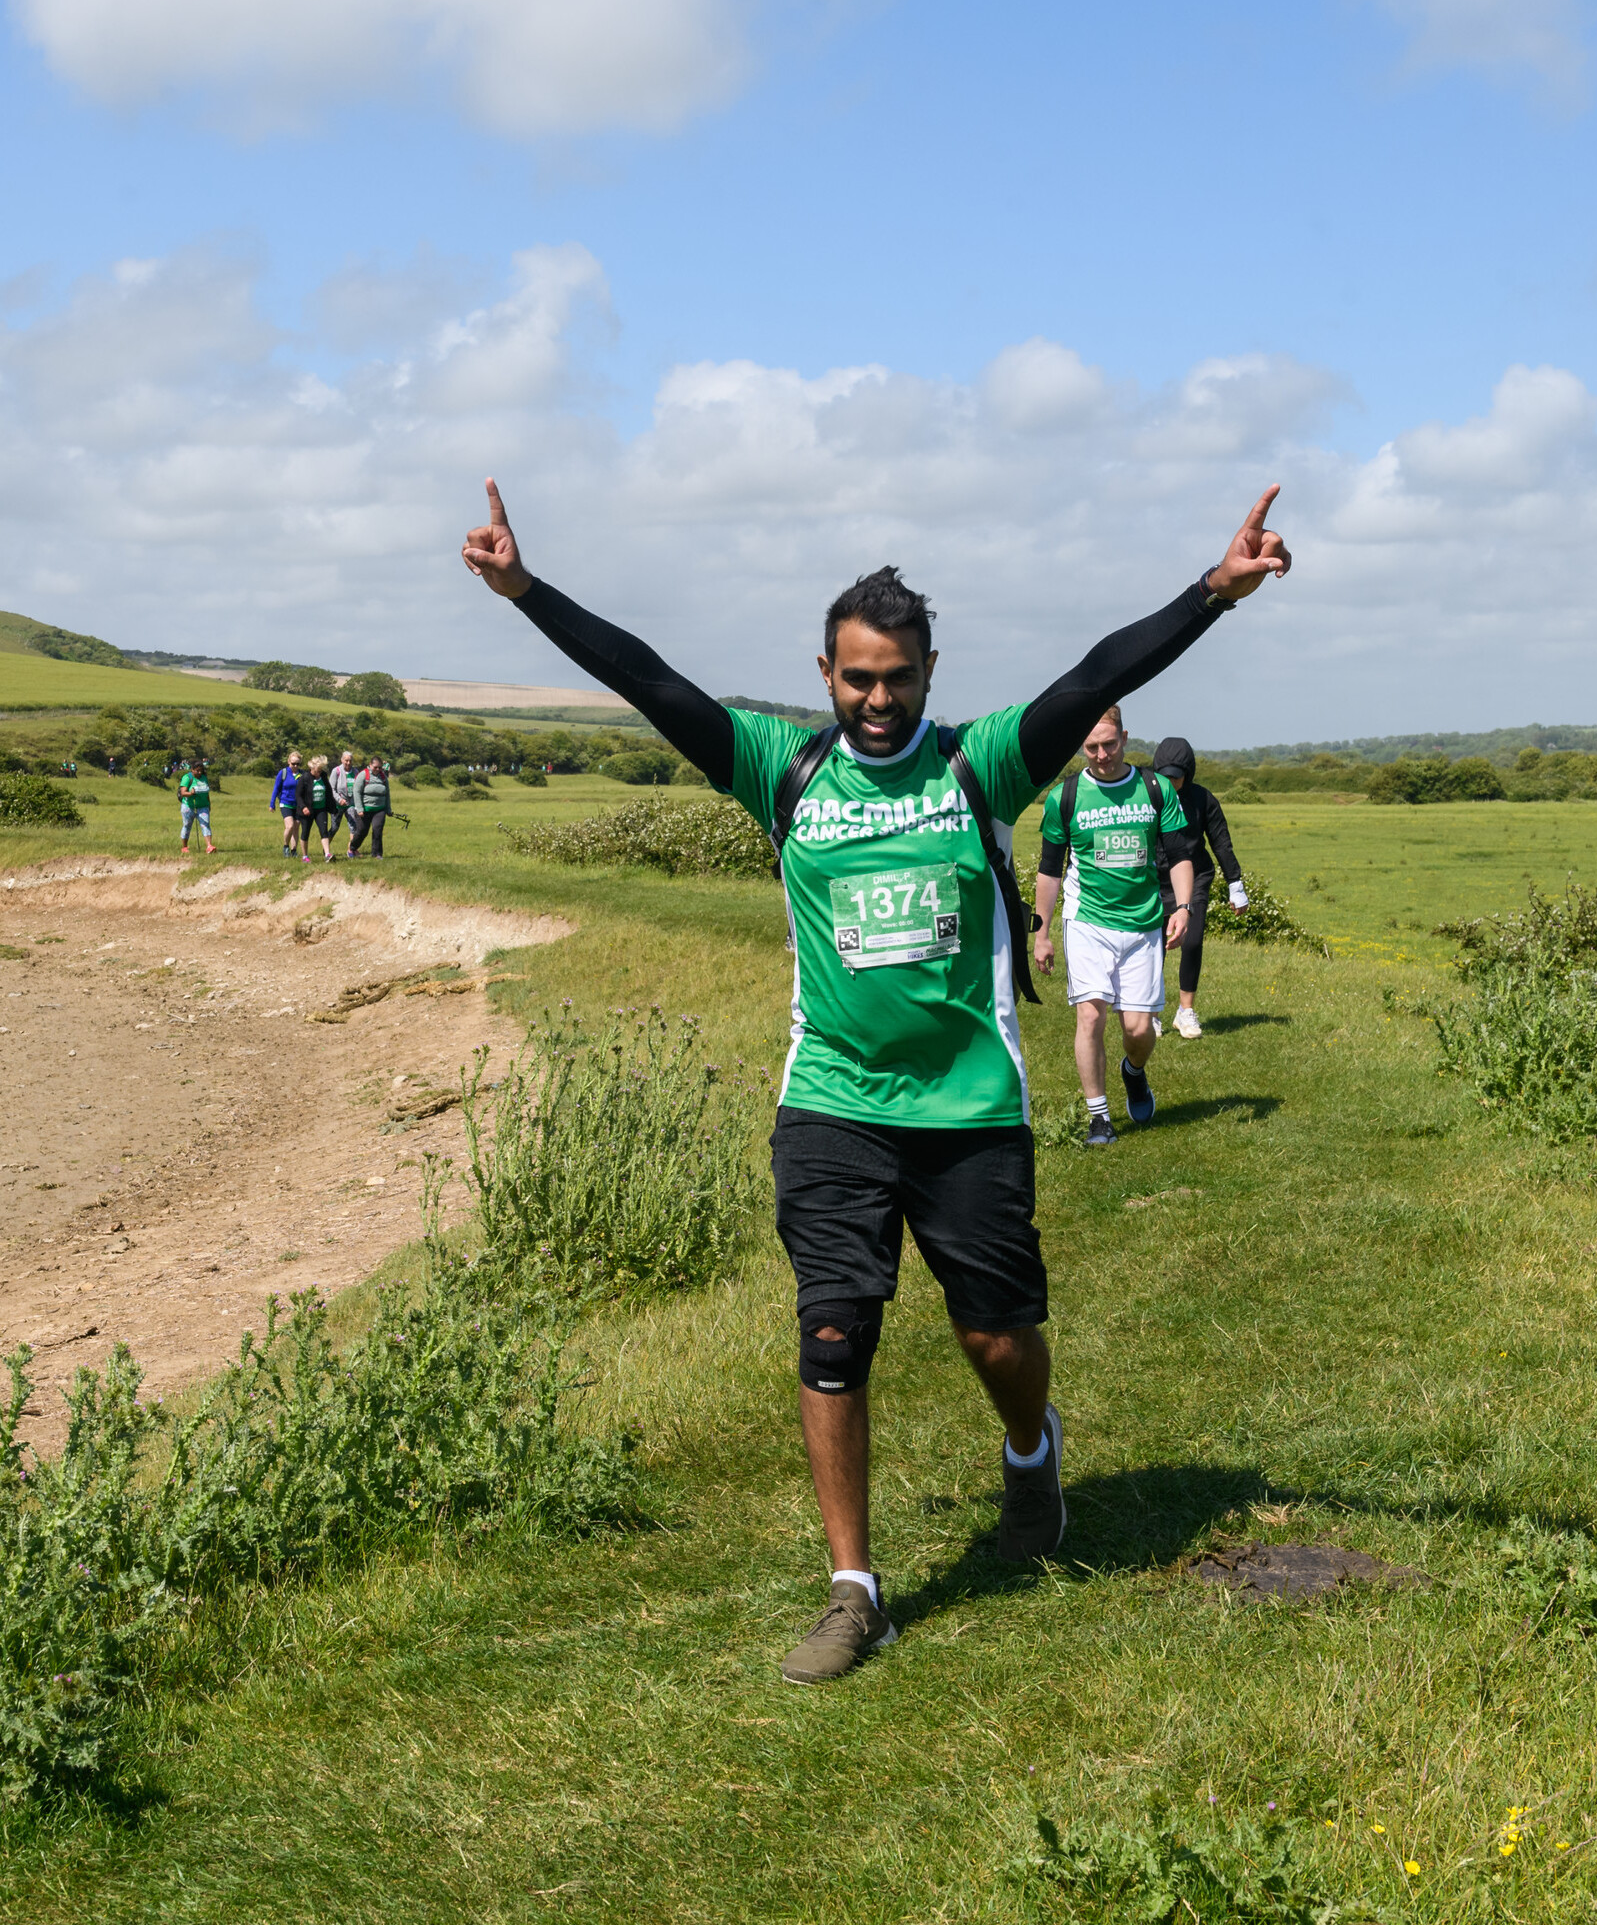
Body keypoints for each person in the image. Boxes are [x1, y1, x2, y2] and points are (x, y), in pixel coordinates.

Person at [461, 475, 1290, 1685]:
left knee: (997, 1336)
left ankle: (1028, 1448)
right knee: (835, 1327)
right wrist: (526, 590)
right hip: (833, 1100)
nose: (878, 698)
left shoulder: (980, 769)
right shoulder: (779, 771)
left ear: (930, 669)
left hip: (968, 1108)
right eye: (856, 677)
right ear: (824, 671)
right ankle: (854, 1587)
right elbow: (651, 683)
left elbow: (1089, 671)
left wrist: (1212, 594)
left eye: (899, 675)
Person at [1032, 709, 1193, 1147]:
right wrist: (1041, 933)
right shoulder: (1063, 798)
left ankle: (1134, 1073)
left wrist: (1182, 908)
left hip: (1142, 924)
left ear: (1124, 737)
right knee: (1090, 1015)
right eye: (1091, 747)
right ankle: (1098, 1116)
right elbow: (1049, 871)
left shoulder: (1154, 789)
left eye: (1109, 744)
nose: (1101, 755)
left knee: (1139, 1031)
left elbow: (1179, 854)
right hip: (1087, 922)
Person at [1148, 737, 1249, 1039]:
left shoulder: (1204, 800)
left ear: (1188, 773)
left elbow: (1221, 841)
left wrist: (1236, 884)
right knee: (1154, 948)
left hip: (1195, 877)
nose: (1171, 782)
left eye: (1176, 777)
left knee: (1191, 942)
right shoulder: (1146, 797)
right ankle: (1151, 1011)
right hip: (1154, 878)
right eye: (1165, 776)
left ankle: (1185, 1012)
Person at [297, 756, 338, 864]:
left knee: (324, 831)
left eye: (320, 770)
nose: (319, 772)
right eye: (317, 771)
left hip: (321, 809)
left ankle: (327, 854)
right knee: (305, 833)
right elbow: (298, 795)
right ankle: (305, 856)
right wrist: (304, 807)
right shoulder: (304, 778)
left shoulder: (323, 776)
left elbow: (328, 791)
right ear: (312, 769)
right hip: (307, 810)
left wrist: (333, 807)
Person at [351, 756, 393, 857]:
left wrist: (388, 809)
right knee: (362, 831)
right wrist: (359, 808)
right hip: (365, 810)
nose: (378, 770)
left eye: (380, 768)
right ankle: (353, 847)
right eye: (375, 767)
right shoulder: (363, 775)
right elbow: (356, 792)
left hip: (379, 809)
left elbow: (387, 793)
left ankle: (377, 854)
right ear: (370, 765)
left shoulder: (383, 777)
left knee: (377, 830)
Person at [177, 757, 216, 856]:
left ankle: (209, 846)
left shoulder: (204, 778)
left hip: (203, 806)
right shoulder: (187, 778)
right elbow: (183, 793)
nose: (199, 772)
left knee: (205, 824)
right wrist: (191, 793)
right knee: (187, 826)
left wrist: (209, 804)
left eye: (201, 770)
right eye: (197, 770)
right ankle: (184, 847)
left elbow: (207, 793)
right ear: (192, 770)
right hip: (189, 806)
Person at [270, 750, 302, 855]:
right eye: (293, 763)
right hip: (286, 802)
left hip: (298, 804)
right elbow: (276, 788)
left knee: (296, 827)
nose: (295, 766)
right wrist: (272, 803)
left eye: (298, 764)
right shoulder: (283, 773)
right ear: (289, 762)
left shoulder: (302, 774)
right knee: (290, 826)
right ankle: (285, 846)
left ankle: (293, 850)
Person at [330, 748, 361, 851]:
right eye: (346, 760)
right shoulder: (336, 771)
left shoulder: (356, 771)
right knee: (334, 828)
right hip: (338, 804)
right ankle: (326, 848)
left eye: (350, 760)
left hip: (350, 804)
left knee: (353, 827)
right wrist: (339, 800)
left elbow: (358, 787)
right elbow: (331, 789)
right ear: (342, 760)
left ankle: (351, 850)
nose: (348, 763)